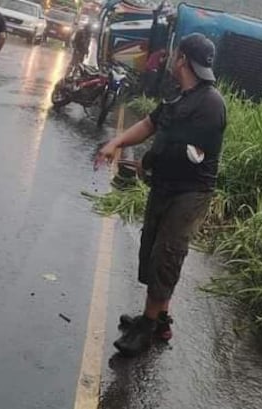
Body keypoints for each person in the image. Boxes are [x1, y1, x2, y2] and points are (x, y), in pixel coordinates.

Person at [94, 33, 227, 357]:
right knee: (154, 248)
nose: (169, 57)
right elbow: (150, 123)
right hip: (165, 186)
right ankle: (159, 319)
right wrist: (116, 143)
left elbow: (191, 152)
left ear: (182, 58)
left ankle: (146, 329)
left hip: (189, 192)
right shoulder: (177, 93)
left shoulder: (210, 104)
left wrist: (148, 161)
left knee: (166, 254)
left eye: (174, 53)